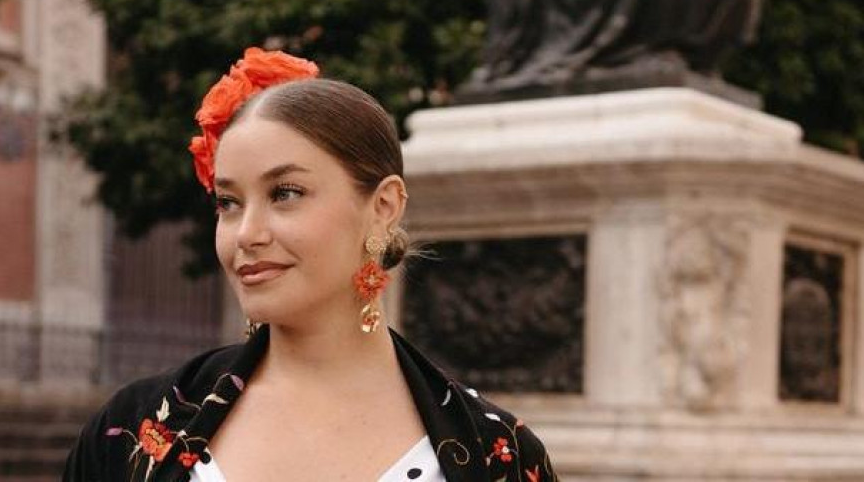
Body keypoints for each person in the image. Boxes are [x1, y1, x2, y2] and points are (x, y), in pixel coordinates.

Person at [62, 48, 558, 482]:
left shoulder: (498, 455)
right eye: (228, 202)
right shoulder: (134, 428)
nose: (247, 234)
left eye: (285, 193)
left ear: (383, 207)